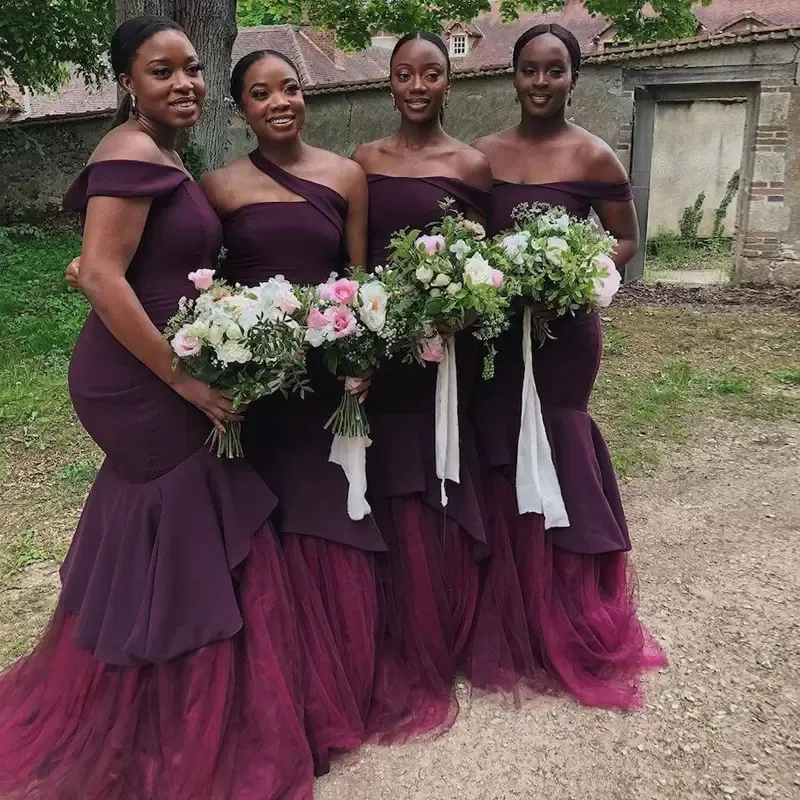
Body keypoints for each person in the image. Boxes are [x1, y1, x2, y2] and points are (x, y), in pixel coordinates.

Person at [0, 17, 315, 800]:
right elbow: (107, 278)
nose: (183, 82)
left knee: (176, 530)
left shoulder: (163, 155)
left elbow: (113, 263)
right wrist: (182, 380)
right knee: (184, 525)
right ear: (127, 84)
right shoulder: (129, 151)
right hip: (137, 380)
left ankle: (177, 713)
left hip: (156, 363)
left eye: (191, 68)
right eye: (160, 71)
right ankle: (166, 725)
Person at [467, 23, 666, 708]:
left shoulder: (594, 155)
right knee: (497, 444)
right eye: (529, 70)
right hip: (494, 337)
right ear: (513, 75)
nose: (541, 83)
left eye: (555, 71)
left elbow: (626, 239)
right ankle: (509, 615)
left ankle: (567, 617)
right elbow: (469, 239)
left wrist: (574, 278)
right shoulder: (482, 155)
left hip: (564, 336)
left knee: (556, 441)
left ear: (573, 77)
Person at [199, 49, 384, 774]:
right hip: (255, 390)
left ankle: (333, 682)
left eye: (290, 88)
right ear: (239, 108)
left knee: (322, 517)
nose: (279, 101)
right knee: (264, 524)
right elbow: (191, 270)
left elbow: (359, 276)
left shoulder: (346, 176)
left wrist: (364, 355)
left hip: (326, 378)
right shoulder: (217, 187)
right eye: (260, 93)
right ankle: (265, 692)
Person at [351, 32, 492, 741]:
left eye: (429, 73)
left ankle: (442, 626)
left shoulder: (473, 165)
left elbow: (489, 264)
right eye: (403, 73)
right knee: (383, 478)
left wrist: (461, 307)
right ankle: (385, 627)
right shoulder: (364, 162)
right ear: (390, 82)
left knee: (434, 475)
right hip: (379, 351)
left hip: (442, 355)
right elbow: (341, 250)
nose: (415, 85)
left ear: (448, 82)